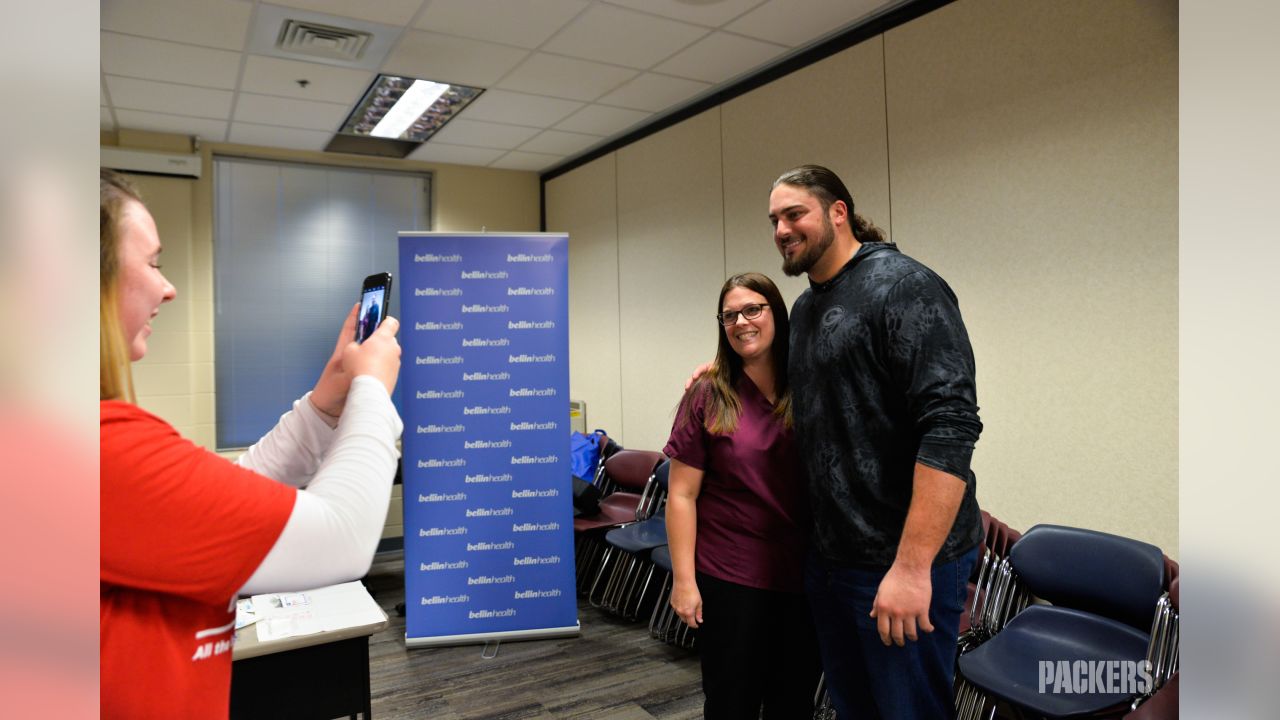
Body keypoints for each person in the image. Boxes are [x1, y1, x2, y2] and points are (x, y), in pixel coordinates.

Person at [99, 169, 404, 719]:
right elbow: (343, 536)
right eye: (152, 262)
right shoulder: (94, 453)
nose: (168, 287)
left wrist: (325, 404)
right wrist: (371, 389)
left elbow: (232, 499)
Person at [771, 164, 983, 719]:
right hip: (833, 559)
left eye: (795, 214)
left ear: (838, 212)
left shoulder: (904, 285)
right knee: (854, 708)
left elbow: (952, 425)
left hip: (902, 561)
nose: (781, 229)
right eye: (774, 220)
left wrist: (912, 568)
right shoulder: (807, 306)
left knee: (908, 711)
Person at [664, 272, 820, 719]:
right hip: (731, 576)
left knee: (793, 701)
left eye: (753, 309)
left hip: (802, 577)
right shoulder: (708, 395)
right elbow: (681, 495)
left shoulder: (807, 386)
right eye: (729, 315)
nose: (741, 322)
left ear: (777, 314)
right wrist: (684, 581)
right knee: (733, 700)